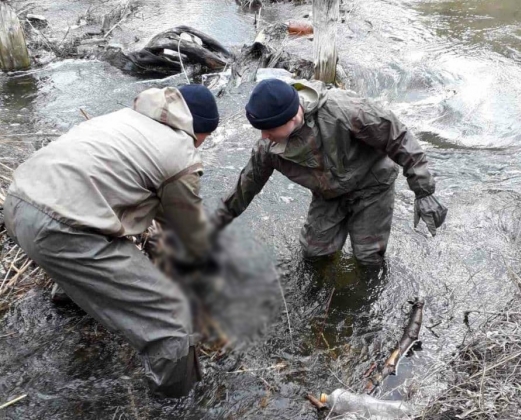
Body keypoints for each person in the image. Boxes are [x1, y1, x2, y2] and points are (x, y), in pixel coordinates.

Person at [3, 84, 220, 397]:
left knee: (95, 239)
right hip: (60, 231)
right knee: (173, 318)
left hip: (18, 204)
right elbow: (189, 231)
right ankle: (176, 400)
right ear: (199, 131)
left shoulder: (123, 119)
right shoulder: (180, 153)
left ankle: (72, 299)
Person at [211, 79, 447, 265]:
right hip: (329, 194)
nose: (263, 136)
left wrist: (423, 191)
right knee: (314, 254)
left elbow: (398, 136)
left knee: (368, 257)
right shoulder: (269, 148)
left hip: (372, 187)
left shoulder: (343, 110)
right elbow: (247, 185)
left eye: (268, 129)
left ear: (292, 117)